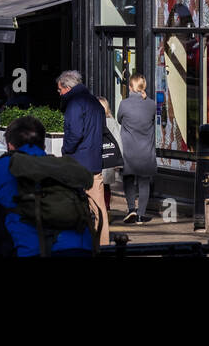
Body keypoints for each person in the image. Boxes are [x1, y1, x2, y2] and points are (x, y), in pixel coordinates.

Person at [0, 115, 94, 257]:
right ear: (43, 144)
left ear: (10, 145)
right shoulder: (61, 168)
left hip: (29, 251)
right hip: (79, 250)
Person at [57, 69, 110, 246]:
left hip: (77, 164)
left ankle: (79, 244)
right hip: (94, 162)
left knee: (75, 208)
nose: (59, 93)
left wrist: (65, 150)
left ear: (66, 87)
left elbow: (75, 133)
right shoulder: (95, 103)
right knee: (98, 207)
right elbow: (102, 130)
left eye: (60, 90)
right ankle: (103, 244)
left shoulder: (74, 103)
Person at [116, 73, 157, 224]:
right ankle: (141, 215)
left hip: (129, 149)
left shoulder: (124, 104)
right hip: (146, 150)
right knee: (144, 182)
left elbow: (120, 119)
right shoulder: (152, 104)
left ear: (132, 87)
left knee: (128, 179)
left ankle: (131, 209)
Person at [98, 96, 121, 215]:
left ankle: (99, 208)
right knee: (106, 186)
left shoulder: (95, 121)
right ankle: (106, 207)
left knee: (98, 184)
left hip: (98, 157)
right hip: (110, 157)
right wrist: (119, 159)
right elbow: (118, 139)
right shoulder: (112, 122)